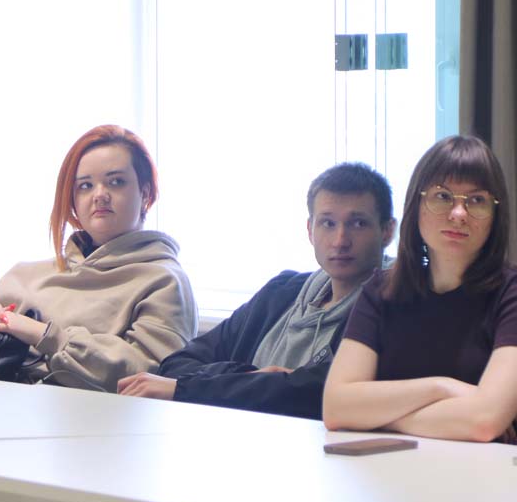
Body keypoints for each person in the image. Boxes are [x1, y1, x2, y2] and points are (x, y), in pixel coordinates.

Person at [322, 135, 517, 445]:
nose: (459, 213)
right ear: (416, 206)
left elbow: (483, 423)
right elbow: (336, 407)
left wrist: (373, 418)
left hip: (487, 471)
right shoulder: (381, 290)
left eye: (477, 200)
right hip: (387, 467)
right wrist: (441, 387)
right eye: (442, 196)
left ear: (495, 216)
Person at [0, 124, 197, 392]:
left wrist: (42, 334)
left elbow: (150, 377)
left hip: (86, 414)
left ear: (146, 192)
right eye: (85, 186)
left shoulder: (163, 281)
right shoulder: (24, 276)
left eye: (116, 182)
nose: (99, 195)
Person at [117, 162, 395, 419]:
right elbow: (177, 364)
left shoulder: (392, 305)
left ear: (387, 231)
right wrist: (256, 376)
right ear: (310, 230)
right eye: (328, 223)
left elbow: (319, 392)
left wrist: (195, 388)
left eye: (358, 223)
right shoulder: (282, 292)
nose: (340, 240)